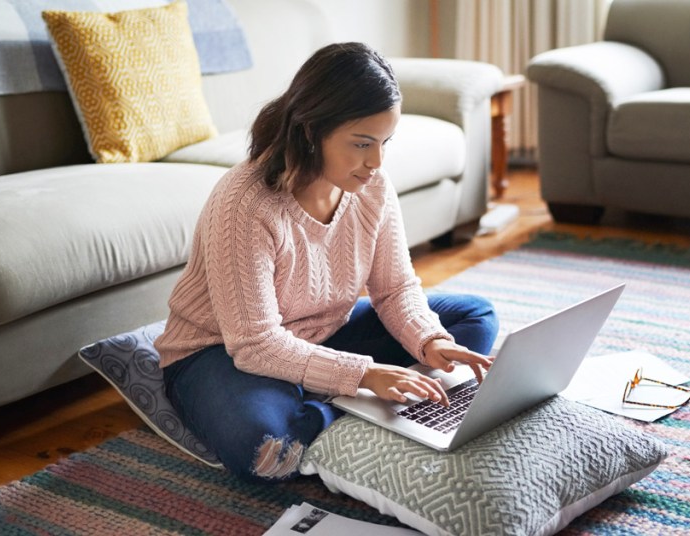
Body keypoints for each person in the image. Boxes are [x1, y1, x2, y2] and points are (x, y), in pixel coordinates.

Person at [154, 42, 498, 484]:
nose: (375, 162)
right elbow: (255, 343)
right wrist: (363, 375)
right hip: (220, 350)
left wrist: (429, 340)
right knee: (266, 451)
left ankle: (329, 398)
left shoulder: (371, 185)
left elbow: (395, 289)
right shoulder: (244, 203)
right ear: (311, 131)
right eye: (361, 144)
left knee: (473, 318)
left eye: (384, 142)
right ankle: (338, 404)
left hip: (324, 333)